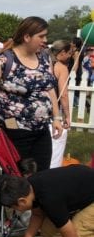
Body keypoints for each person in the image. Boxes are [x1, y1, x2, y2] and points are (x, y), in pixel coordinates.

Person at [0, 16, 63, 228]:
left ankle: (26, 217)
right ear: (27, 36)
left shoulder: (44, 59)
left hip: (40, 130)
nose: (45, 41)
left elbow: (49, 89)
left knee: (41, 175)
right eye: (41, 36)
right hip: (12, 131)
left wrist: (56, 117)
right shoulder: (2, 62)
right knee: (11, 177)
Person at [48, 40, 73, 168]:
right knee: (55, 152)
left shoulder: (41, 63)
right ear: (62, 52)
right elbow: (63, 94)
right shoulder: (61, 67)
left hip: (36, 112)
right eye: (69, 53)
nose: (70, 56)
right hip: (53, 115)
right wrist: (67, 116)